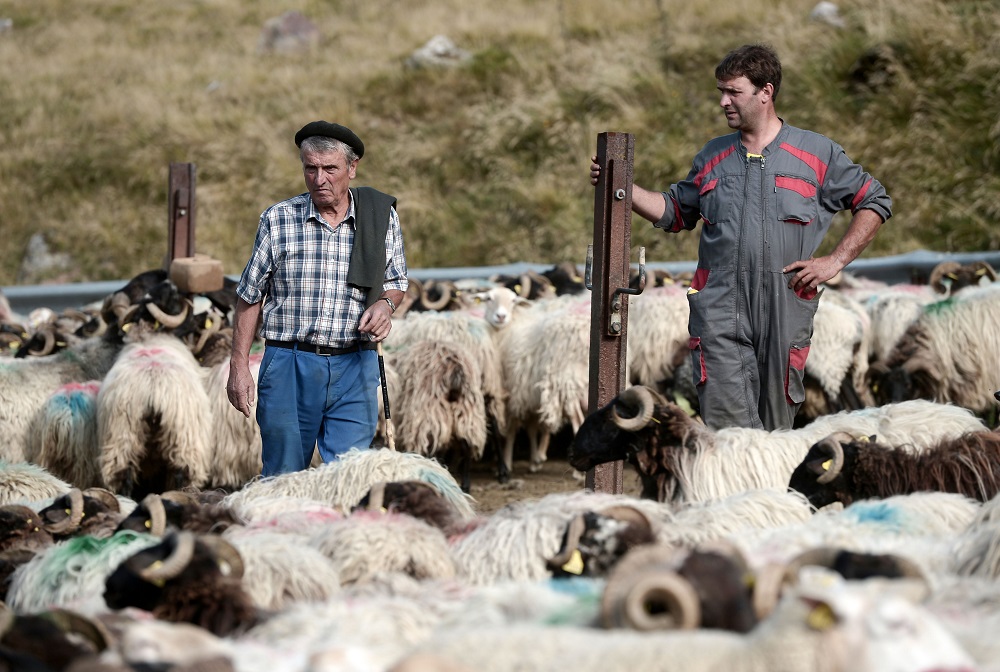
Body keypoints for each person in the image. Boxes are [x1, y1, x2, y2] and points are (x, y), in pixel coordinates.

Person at [590, 43, 891, 431]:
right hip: (719, 309)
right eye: (721, 92)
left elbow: (874, 200)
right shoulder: (712, 156)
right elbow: (675, 211)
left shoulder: (817, 153)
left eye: (733, 92)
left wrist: (834, 261)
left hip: (786, 306)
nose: (723, 102)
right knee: (726, 431)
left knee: (776, 430)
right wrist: (624, 189)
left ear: (765, 92)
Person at [227, 120, 407, 476]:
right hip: (288, 364)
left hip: (355, 366)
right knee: (283, 475)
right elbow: (249, 296)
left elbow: (396, 280)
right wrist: (238, 365)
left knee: (350, 477)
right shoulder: (278, 219)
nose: (319, 179)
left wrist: (385, 305)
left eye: (330, 168)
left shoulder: (380, 217)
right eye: (310, 168)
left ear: (352, 168)